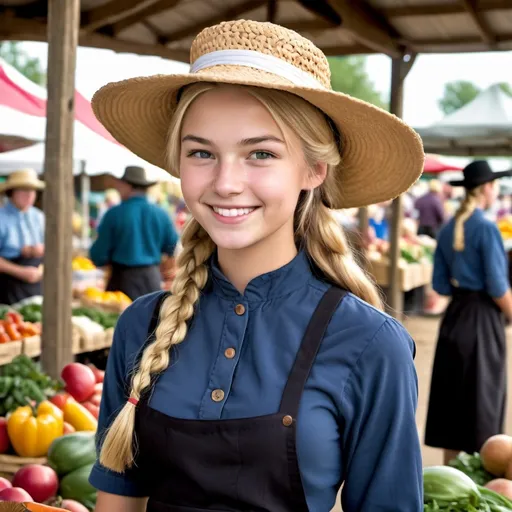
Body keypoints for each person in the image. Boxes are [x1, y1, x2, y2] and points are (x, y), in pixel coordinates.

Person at [89, 20, 425, 512]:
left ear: (314, 170)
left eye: (260, 154)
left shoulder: (371, 344)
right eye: (201, 152)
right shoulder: (142, 325)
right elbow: (118, 504)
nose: (226, 182)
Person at [425, 160, 512, 465]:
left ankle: (453, 477)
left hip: (454, 320)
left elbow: (440, 285)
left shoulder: (448, 229)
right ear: (487, 188)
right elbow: (498, 287)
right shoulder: (486, 228)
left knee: (453, 407)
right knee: (482, 406)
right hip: (483, 322)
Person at [89, 166, 178, 301]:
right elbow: (173, 246)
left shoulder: (114, 214)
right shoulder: (161, 214)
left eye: (120, 184)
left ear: (128, 186)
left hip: (122, 281)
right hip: (152, 280)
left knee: (118, 320)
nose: (118, 188)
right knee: (151, 319)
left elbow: (98, 254)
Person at [0, 169, 45, 305]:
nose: (29, 195)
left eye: (32, 191)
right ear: (11, 192)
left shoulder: (39, 217)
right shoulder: (1, 218)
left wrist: (39, 251)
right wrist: (20, 272)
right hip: (7, 285)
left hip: (36, 283)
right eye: (23, 190)